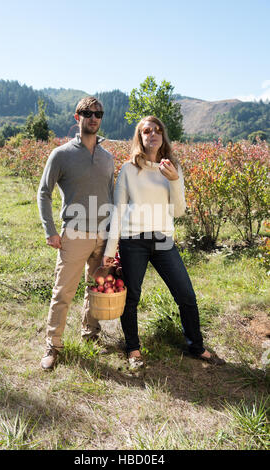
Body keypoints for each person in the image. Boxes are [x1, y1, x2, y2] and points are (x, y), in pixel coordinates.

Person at [103, 116, 225, 368]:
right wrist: (109, 248)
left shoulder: (171, 168)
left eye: (157, 130)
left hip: (162, 240)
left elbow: (179, 211)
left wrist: (174, 180)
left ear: (163, 137)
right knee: (132, 296)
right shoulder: (128, 169)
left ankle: (196, 346)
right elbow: (117, 210)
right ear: (140, 137)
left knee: (186, 294)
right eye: (147, 131)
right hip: (133, 240)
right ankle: (133, 348)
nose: (153, 134)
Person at [37, 96, 114, 370]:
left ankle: (90, 333)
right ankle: (53, 345)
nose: (93, 117)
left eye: (98, 113)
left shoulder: (108, 158)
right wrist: (51, 230)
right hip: (74, 233)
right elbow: (43, 193)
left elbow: (112, 197)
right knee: (63, 291)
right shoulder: (61, 155)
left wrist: (112, 238)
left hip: (102, 234)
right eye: (87, 113)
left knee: (96, 287)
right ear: (76, 117)